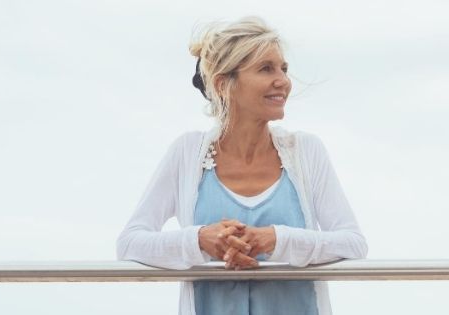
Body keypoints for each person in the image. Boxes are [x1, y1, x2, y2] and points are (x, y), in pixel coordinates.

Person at [116, 16, 367, 315]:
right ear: (224, 84)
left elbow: (352, 243)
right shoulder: (186, 153)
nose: (283, 81)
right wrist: (200, 240)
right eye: (266, 69)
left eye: (283, 69)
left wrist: (276, 239)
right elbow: (130, 243)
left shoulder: (306, 151)